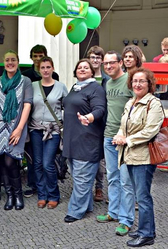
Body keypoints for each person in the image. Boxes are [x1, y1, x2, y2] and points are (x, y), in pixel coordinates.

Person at [113, 68, 164, 247]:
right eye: (134, 81)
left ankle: (147, 234)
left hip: (144, 157)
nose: (137, 84)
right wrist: (119, 136)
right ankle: (144, 228)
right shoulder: (131, 102)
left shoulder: (154, 104)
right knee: (138, 195)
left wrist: (127, 139)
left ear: (149, 84)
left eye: (142, 81)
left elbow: (150, 131)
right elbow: (123, 125)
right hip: (129, 155)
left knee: (143, 197)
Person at [0, 50, 33, 211]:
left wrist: (20, 128)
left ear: (18, 62)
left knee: (11, 160)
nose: (10, 62)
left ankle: (18, 195)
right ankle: (10, 196)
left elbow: (27, 104)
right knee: (1, 161)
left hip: (15, 125)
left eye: (13, 60)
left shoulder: (25, 81)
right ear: (4, 62)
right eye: (7, 60)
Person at [96, 51, 135, 236]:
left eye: (112, 63)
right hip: (109, 136)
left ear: (121, 63)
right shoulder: (108, 83)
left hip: (126, 139)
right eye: (106, 63)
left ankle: (126, 220)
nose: (108, 66)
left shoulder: (130, 80)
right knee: (112, 177)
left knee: (126, 181)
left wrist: (128, 135)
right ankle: (113, 212)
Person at [62, 59, 106, 223]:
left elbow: (100, 109)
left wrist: (89, 117)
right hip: (72, 139)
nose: (82, 69)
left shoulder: (96, 88)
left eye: (86, 67)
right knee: (79, 176)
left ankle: (75, 211)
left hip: (87, 140)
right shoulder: (75, 87)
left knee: (82, 178)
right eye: (79, 67)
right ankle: (86, 206)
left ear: (92, 71)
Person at [29, 56, 68, 209]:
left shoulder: (61, 86)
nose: (45, 70)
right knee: (37, 164)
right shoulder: (32, 86)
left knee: (47, 164)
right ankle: (42, 195)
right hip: (36, 129)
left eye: (48, 67)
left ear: (53, 68)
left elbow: (67, 107)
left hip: (53, 130)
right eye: (43, 67)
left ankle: (53, 195)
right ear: (39, 70)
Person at [22, 44, 59, 198]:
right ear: (31, 57)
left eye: (40, 55)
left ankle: (50, 189)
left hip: (50, 125)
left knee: (47, 160)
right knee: (33, 158)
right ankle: (34, 186)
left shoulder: (54, 77)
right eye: (35, 56)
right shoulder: (26, 75)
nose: (38, 59)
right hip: (31, 121)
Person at [87, 45, 109, 202]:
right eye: (92, 57)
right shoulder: (84, 78)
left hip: (104, 123)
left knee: (101, 157)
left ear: (102, 60)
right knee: (87, 156)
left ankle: (99, 187)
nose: (95, 60)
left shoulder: (107, 80)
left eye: (97, 57)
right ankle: (85, 186)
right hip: (87, 123)